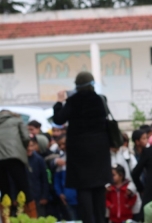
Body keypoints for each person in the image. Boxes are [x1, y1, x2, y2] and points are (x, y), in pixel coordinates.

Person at [53, 72, 111, 223]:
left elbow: (59, 119)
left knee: (83, 188)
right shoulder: (100, 100)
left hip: (79, 152)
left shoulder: (73, 101)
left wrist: (60, 102)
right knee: (99, 187)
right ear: (92, 84)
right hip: (100, 150)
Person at [0, 110, 36, 218]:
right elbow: (26, 137)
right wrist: (22, 147)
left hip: (0, 159)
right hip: (15, 157)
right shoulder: (17, 120)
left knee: (4, 190)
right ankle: (31, 217)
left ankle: (6, 218)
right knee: (23, 187)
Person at [53, 134, 78, 221]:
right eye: (60, 145)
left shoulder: (81, 158)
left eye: (64, 144)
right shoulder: (61, 160)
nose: (62, 147)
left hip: (82, 198)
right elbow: (57, 179)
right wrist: (60, 193)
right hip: (68, 199)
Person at [26, 136, 49, 217]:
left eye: (32, 146)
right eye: (27, 146)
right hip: (24, 199)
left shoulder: (39, 159)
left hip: (38, 197)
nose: (29, 148)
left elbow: (44, 179)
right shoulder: (19, 160)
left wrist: (44, 196)